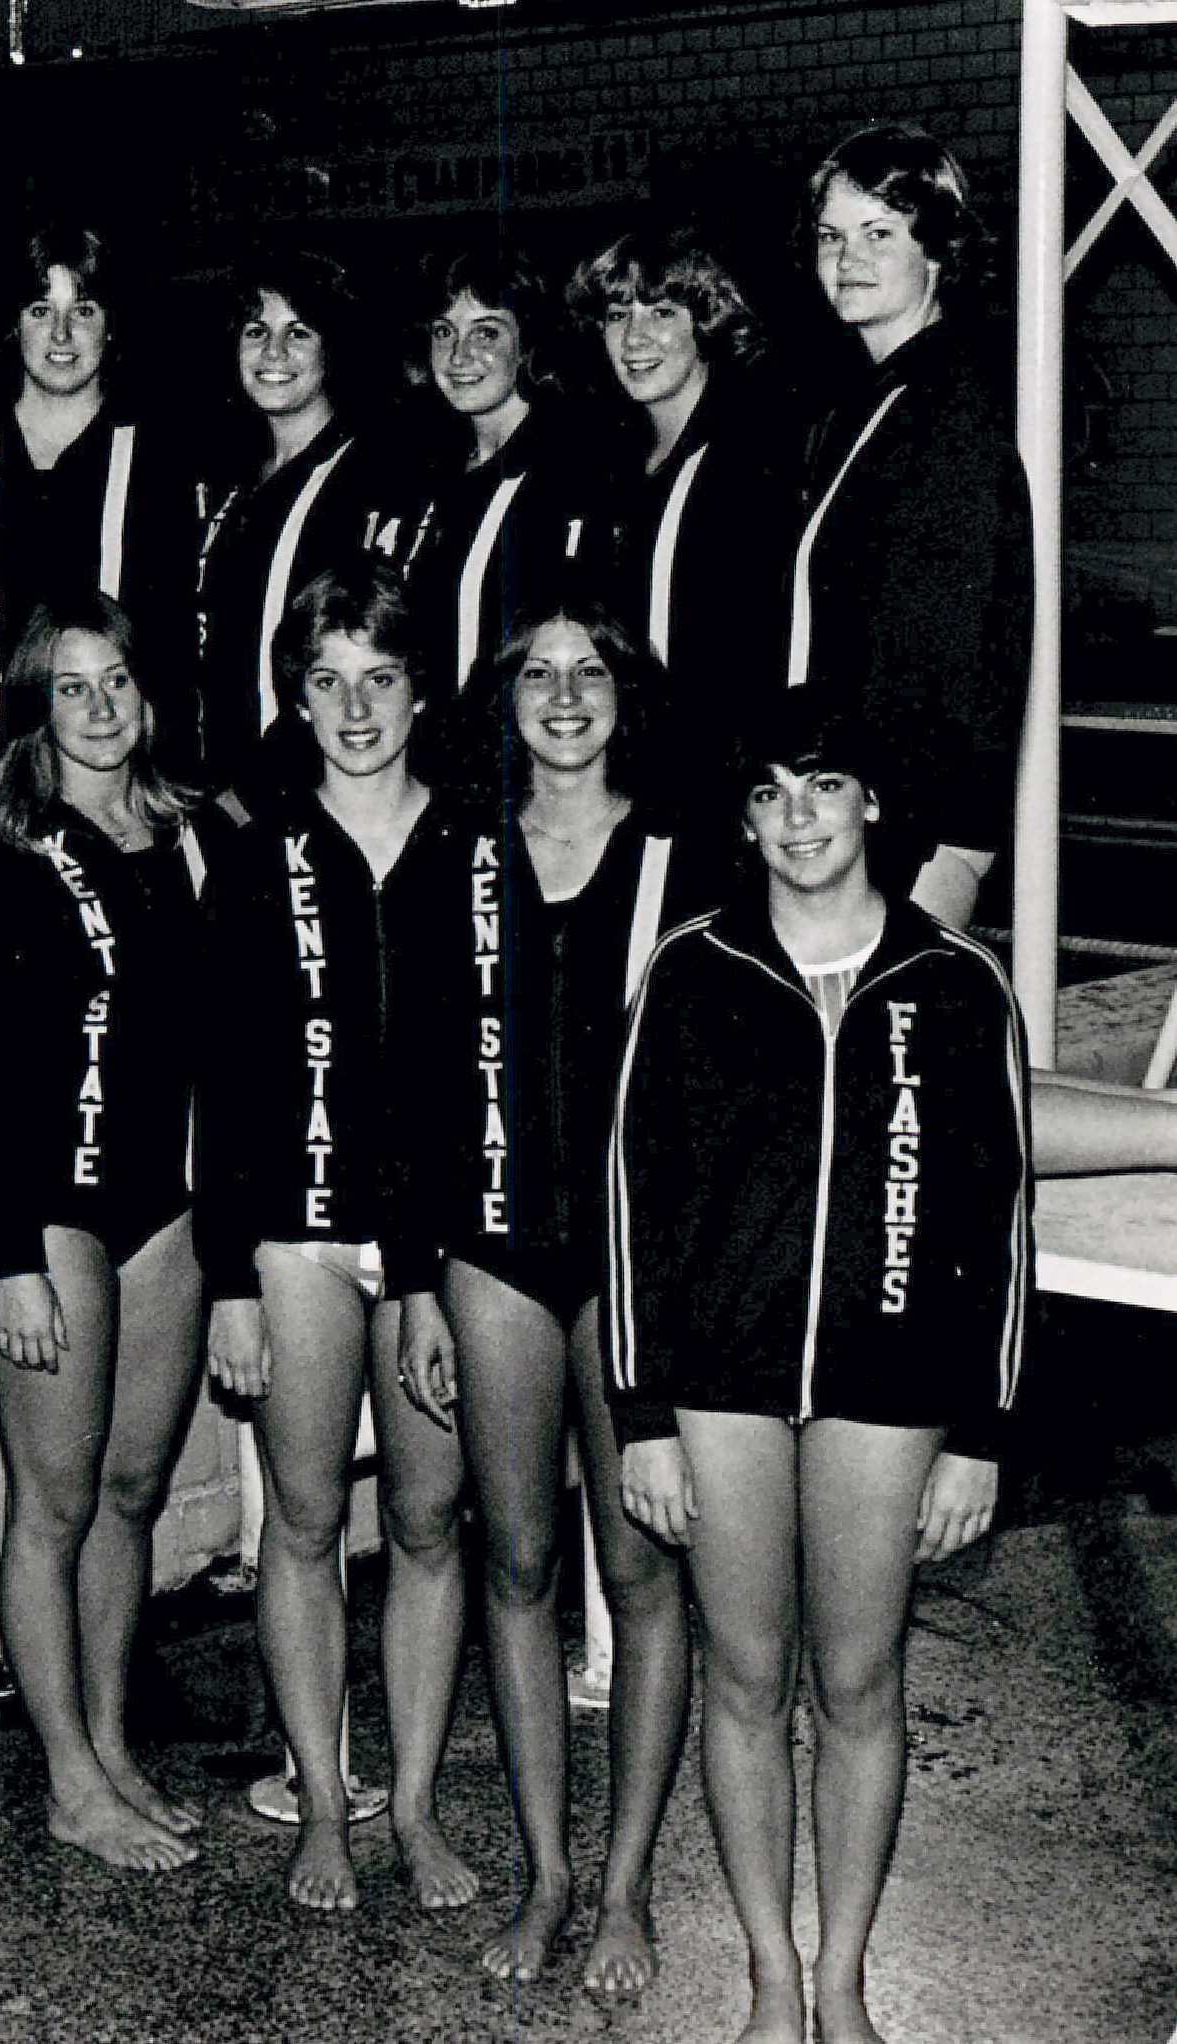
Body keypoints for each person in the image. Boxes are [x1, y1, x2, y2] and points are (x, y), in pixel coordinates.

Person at [609, 700, 1031, 2044]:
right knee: (742, 1678)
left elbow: (996, 1217)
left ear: (871, 805)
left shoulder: (953, 982)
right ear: (742, 821)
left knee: (855, 1681)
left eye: (823, 785)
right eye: (768, 792)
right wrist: (639, 1415)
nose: (796, 816)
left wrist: (977, 1432)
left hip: (887, 1382)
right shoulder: (691, 968)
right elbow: (636, 1202)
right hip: (718, 1383)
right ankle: (768, 1981)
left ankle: (842, 1981)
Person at [196, 558, 475, 1914]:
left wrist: (446, 1267)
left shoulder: (475, 845)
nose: (355, 709)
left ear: (420, 690)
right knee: (303, 1521)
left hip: (438, 1249)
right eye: (326, 681)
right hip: (296, 1236)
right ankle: (320, 1799)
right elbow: (222, 1077)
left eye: (379, 677)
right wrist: (227, 1279)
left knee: (424, 1521)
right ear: (293, 699)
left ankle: (410, 1807)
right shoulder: (254, 854)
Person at [437, 603, 702, 1989]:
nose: (560, 692)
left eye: (586, 669)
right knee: (514, 1563)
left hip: (629, 1263)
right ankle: (543, 1874)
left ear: (622, 693)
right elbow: (415, 1073)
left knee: (640, 1570)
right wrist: (416, 1281)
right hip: (490, 1247)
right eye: (533, 671)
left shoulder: (679, 857)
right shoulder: (457, 850)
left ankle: (624, 1887)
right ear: (501, 697)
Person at [0, 593, 212, 1872]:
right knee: (51, 1505)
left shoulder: (189, 835)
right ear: (33, 708)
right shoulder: (5, 853)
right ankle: (64, 1777)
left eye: (115, 681)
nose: (100, 707)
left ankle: (109, 1746)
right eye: (71, 687)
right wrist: (6, 1260)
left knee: (128, 1493)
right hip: (49, 1206)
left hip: (162, 1202)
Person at [787, 124, 1032, 928]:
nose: (847, 258)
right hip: (853, 813)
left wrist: (909, 843)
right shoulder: (867, 405)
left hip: (908, 831)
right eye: (831, 236)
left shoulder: (944, 412)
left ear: (935, 251)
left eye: (878, 233)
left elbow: (947, 660)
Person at [0, 224, 195, 838]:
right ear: (15, 325)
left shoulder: (160, 458)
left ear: (110, 326)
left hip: (122, 787)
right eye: (41, 310)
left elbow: (172, 638)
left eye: (82, 311)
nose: (61, 335)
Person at [566, 227, 791, 826]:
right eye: (618, 315)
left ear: (707, 324)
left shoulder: (754, 460)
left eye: (662, 312)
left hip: (716, 798)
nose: (634, 337)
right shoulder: (608, 466)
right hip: (620, 789)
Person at [192, 251, 385, 810]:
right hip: (216, 794)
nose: (273, 352)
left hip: (304, 794)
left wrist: (251, 792)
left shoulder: (365, 482)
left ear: (332, 348)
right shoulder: (228, 482)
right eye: (257, 331)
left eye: (298, 333)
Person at [376, 248, 590, 705]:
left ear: (528, 342)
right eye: (444, 332)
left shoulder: (571, 476)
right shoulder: (420, 476)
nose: (459, 354)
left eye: (486, 332)